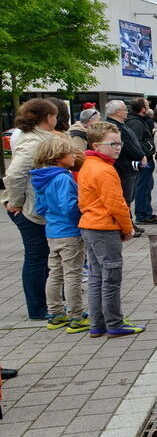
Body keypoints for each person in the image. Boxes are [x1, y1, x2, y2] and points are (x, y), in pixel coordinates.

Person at [78, 122, 144, 337]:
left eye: (120, 143)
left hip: (90, 225)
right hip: (104, 227)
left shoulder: (88, 165)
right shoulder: (104, 170)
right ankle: (114, 323)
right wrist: (127, 228)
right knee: (111, 277)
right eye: (113, 144)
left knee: (97, 276)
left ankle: (97, 323)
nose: (118, 148)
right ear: (96, 146)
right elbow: (117, 204)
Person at [2, 98, 57, 320]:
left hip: (34, 207)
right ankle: (38, 308)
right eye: (54, 116)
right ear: (48, 118)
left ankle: (46, 304)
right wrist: (15, 201)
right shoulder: (33, 141)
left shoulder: (37, 137)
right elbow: (15, 174)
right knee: (37, 256)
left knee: (42, 255)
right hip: (29, 209)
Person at [30, 136, 89, 333]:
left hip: (52, 232)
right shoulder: (63, 178)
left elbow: (40, 207)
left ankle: (55, 313)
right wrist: (83, 215)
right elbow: (69, 206)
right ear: (58, 157)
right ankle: (76, 315)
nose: (74, 156)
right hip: (70, 232)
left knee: (55, 273)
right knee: (73, 274)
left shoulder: (42, 178)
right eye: (70, 153)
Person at [104, 100, 147, 236]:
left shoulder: (120, 125)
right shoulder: (114, 127)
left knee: (128, 198)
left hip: (127, 167)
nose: (127, 112)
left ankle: (129, 223)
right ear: (118, 112)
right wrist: (141, 155)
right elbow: (127, 146)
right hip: (123, 168)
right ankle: (126, 226)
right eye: (125, 110)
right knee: (125, 199)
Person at [125, 97, 157, 225]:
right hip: (143, 161)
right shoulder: (135, 123)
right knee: (143, 187)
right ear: (143, 109)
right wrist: (144, 154)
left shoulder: (138, 121)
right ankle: (143, 215)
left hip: (146, 159)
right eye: (147, 106)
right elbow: (136, 142)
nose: (149, 108)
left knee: (146, 187)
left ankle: (145, 213)